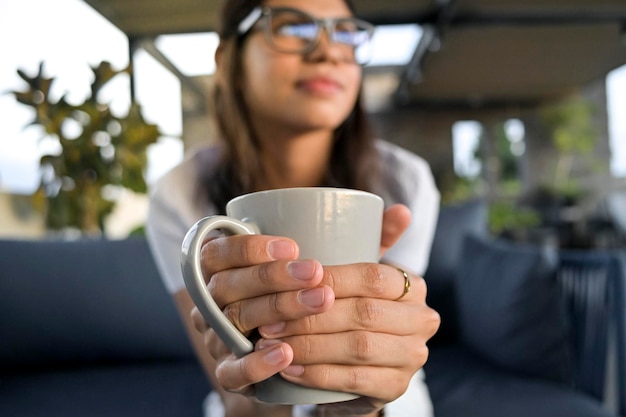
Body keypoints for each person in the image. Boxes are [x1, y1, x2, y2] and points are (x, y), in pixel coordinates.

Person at [146, 0, 441, 416]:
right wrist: (266, 381)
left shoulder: (404, 183)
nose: (329, 51)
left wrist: (354, 401)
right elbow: (233, 387)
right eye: (292, 28)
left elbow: (384, 351)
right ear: (228, 56)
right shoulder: (179, 195)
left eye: (346, 32)